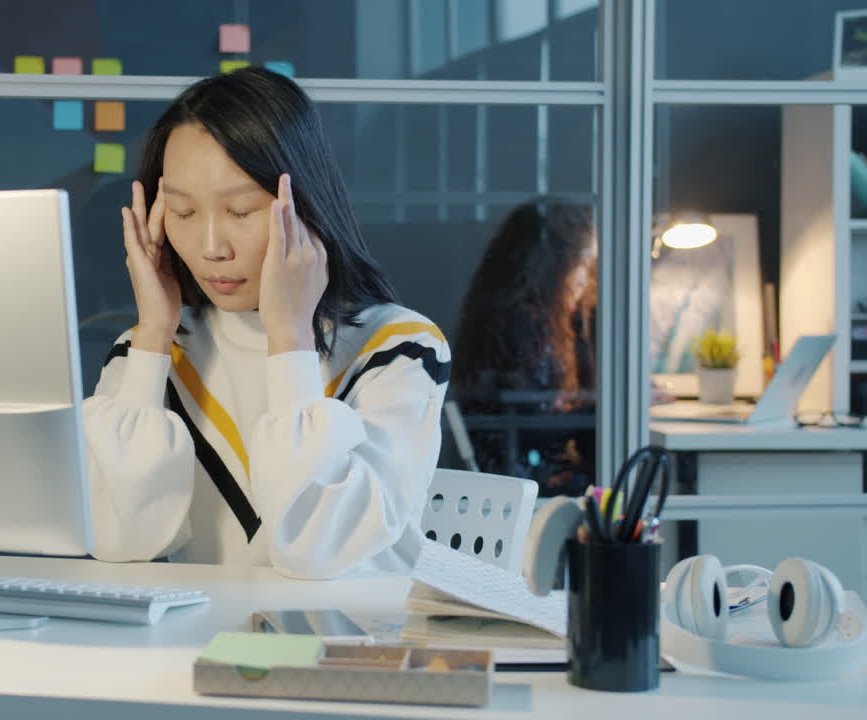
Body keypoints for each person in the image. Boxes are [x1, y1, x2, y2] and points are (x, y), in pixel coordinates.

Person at [82, 68, 450, 579]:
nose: (211, 247)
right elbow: (117, 540)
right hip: (198, 647)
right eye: (184, 213)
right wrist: (152, 335)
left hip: (351, 645)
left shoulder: (400, 348)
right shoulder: (149, 353)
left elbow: (315, 549)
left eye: (240, 210)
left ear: (307, 204)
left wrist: (290, 338)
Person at [450, 200, 597, 497]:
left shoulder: (529, 314)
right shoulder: (521, 322)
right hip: (519, 474)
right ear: (556, 266)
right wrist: (607, 406)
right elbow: (529, 420)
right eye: (581, 265)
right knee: (615, 489)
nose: (585, 278)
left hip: (522, 462)